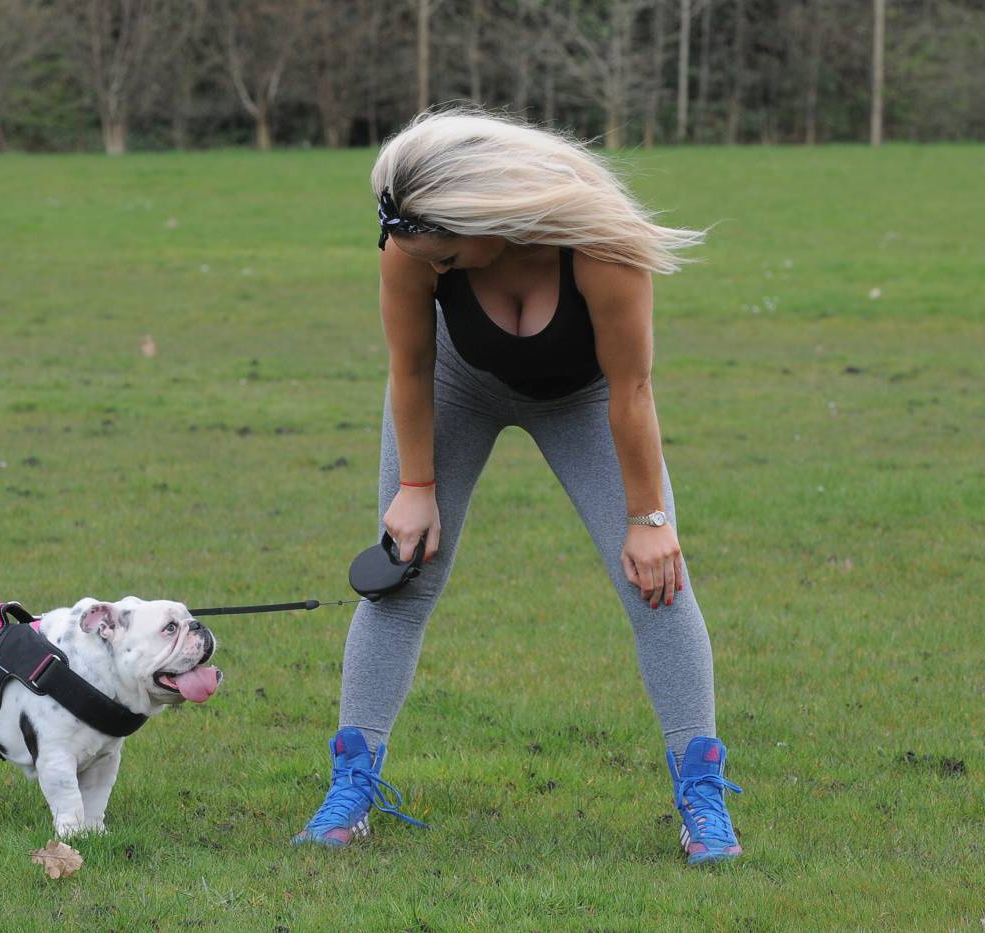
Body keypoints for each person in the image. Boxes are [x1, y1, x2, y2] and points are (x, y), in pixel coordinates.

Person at [292, 109, 743, 864]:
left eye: (449, 256)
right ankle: (352, 786)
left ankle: (701, 797)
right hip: (456, 389)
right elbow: (410, 368)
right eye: (426, 259)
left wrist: (650, 516)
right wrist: (416, 485)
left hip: (589, 400)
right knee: (403, 576)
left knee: (657, 582)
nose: (436, 270)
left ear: (492, 213)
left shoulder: (599, 247)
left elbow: (632, 390)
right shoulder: (411, 239)